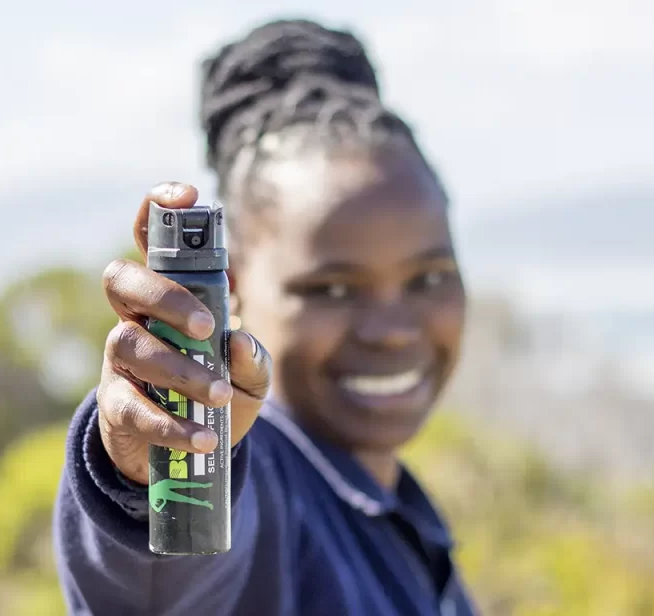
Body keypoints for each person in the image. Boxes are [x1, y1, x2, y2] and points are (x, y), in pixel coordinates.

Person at [53, 18, 477, 616]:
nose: (394, 329)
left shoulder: (401, 516)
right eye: (331, 289)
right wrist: (146, 478)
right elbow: (167, 589)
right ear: (232, 287)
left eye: (428, 278)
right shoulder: (264, 485)